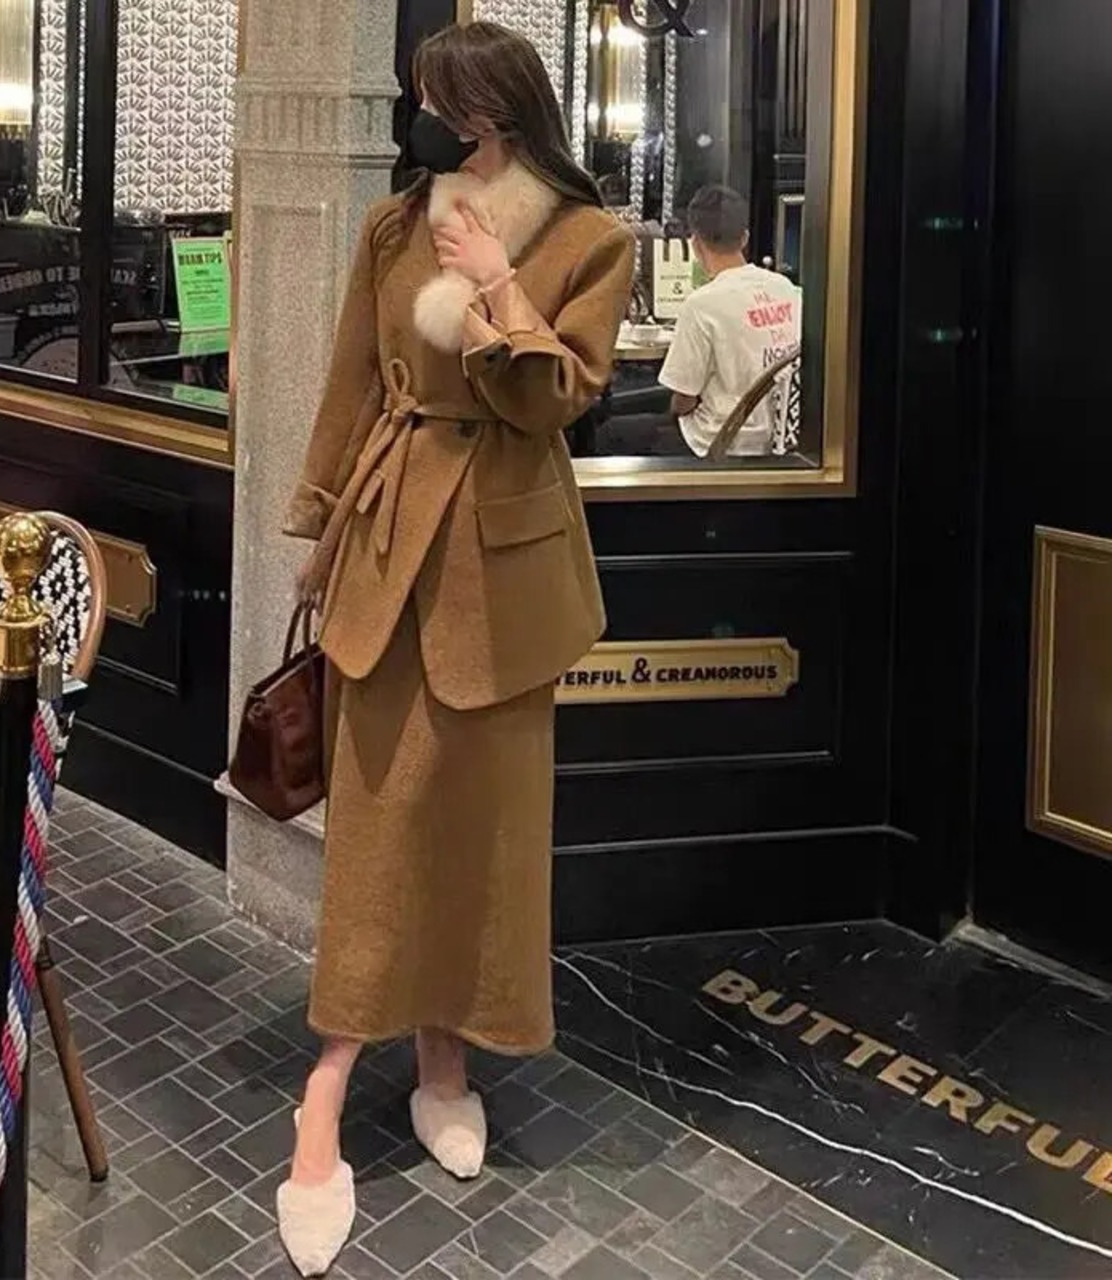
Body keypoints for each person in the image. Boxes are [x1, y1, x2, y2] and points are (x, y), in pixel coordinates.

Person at [276, 20, 635, 1277]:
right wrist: (318, 524)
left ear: (493, 111)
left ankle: (444, 1055)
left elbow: (555, 398)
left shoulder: (588, 240)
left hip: (505, 565)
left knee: (482, 826)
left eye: (439, 99)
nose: (420, 118)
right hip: (388, 547)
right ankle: (326, 1083)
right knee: (378, 821)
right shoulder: (392, 227)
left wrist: (493, 284)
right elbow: (352, 383)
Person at [659, 184, 801, 458]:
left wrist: (673, 412)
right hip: (781, 438)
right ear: (744, 238)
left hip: (720, 443)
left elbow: (683, 400)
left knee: (612, 432)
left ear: (695, 243)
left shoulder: (701, 305)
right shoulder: (785, 287)